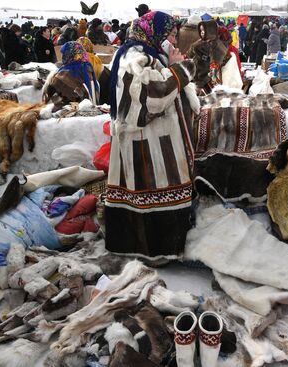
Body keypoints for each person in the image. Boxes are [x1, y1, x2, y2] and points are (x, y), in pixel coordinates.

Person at [105, 11, 198, 261]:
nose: (173, 41)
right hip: (146, 147)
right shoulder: (134, 57)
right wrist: (179, 70)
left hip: (151, 142)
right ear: (154, 32)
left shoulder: (146, 53)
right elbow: (148, 98)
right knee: (148, 199)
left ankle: (159, 247)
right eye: (169, 35)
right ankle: (155, 251)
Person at [42, 41, 99, 109]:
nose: (63, 56)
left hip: (68, 111)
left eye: (64, 54)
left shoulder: (63, 75)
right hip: (89, 108)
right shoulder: (88, 67)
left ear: (68, 54)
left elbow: (50, 95)